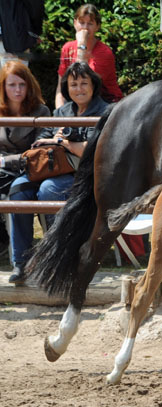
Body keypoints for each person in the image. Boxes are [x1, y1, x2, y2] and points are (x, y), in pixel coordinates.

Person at [8, 63, 108, 285]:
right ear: (66, 87)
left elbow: (94, 152)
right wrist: (62, 142)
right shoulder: (62, 112)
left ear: (94, 85)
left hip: (86, 176)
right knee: (18, 189)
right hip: (52, 168)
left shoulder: (104, 111)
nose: (79, 88)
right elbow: (41, 140)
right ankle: (21, 263)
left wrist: (63, 141)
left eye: (84, 83)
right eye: (73, 84)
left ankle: (58, 257)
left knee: (49, 190)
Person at [0, 61, 49, 257]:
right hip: (3, 172)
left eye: (22, 84)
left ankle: (20, 258)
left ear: (29, 85)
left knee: (18, 192)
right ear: (3, 87)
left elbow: (37, 153)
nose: (17, 90)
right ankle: (3, 239)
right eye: (12, 85)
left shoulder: (40, 111)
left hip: (28, 171)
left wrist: (5, 160)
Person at [55, 4, 123, 108]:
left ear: (97, 26)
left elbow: (85, 84)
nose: (85, 28)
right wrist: (60, 115)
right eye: (82, 23)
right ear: (75, 23)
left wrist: (82, 44)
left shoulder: (104, 52)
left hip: (106, 103)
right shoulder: (67, 48)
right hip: (76, 104)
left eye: (90, 24)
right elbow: (60, 88)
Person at [0, 0, 44, 67]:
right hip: (16, 37)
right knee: (17, 74)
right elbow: (35, 6)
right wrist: (35, 32)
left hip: (12, 36)